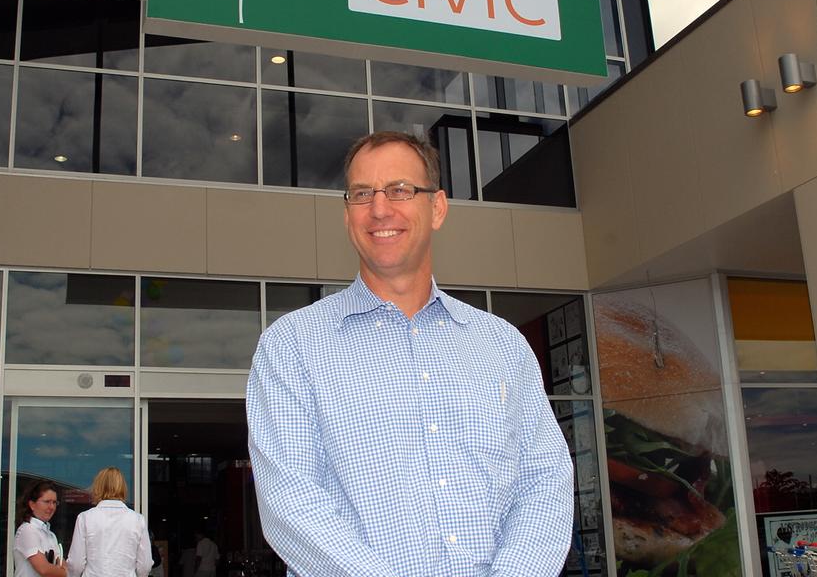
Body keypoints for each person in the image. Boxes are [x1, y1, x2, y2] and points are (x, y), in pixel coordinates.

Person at [246, 131, 574, 576]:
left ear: (437, 208)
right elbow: (292, 503)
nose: (380, 208)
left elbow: (545, 479)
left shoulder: (502, 346)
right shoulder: (292, 346)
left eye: (400, 189)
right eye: (363, 193)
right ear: (347, 215)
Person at [66, 467, 153, 577]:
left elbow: (76, 563)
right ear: (123, 487)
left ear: (98, 487)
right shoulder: (137, 520)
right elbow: (145, 565)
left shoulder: (85, 518)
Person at [14, 480, 67, 577]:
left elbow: (62, 563)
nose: (51, 507)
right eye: (47, 502)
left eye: (54, 502)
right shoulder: (27, 530)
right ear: (32, 505)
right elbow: (44, 569)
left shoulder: (51, 535)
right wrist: (64, 572)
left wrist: (60, 570)